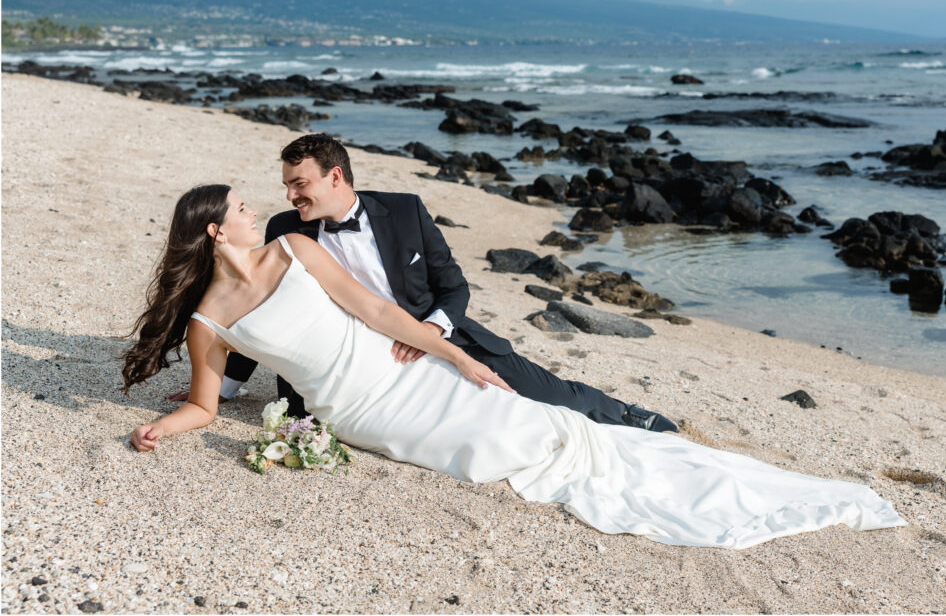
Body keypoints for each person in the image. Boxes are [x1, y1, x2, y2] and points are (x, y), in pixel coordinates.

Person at [126, 184, 906, 549]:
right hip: (358, 411)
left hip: (407, 371)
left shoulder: (295, 248)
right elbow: (204, 403)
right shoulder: (207, 323)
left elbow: (379, 313)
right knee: (513, 451)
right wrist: (163, 428)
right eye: (239, 205)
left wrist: (458, 356)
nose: (256, 205)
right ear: (212, 230)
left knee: (544, 425)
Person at [172, 133, 676, 432]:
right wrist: (225, 385)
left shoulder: (405, 210)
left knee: (544, 395)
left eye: (299, 183)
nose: (290, 195)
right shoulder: (286, 231)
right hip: (350, 369)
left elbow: (454, 287)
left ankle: (632, 418)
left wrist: (433, 331)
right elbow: (259, 307)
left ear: (336, 178)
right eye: (286, 184)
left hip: (435, 336)